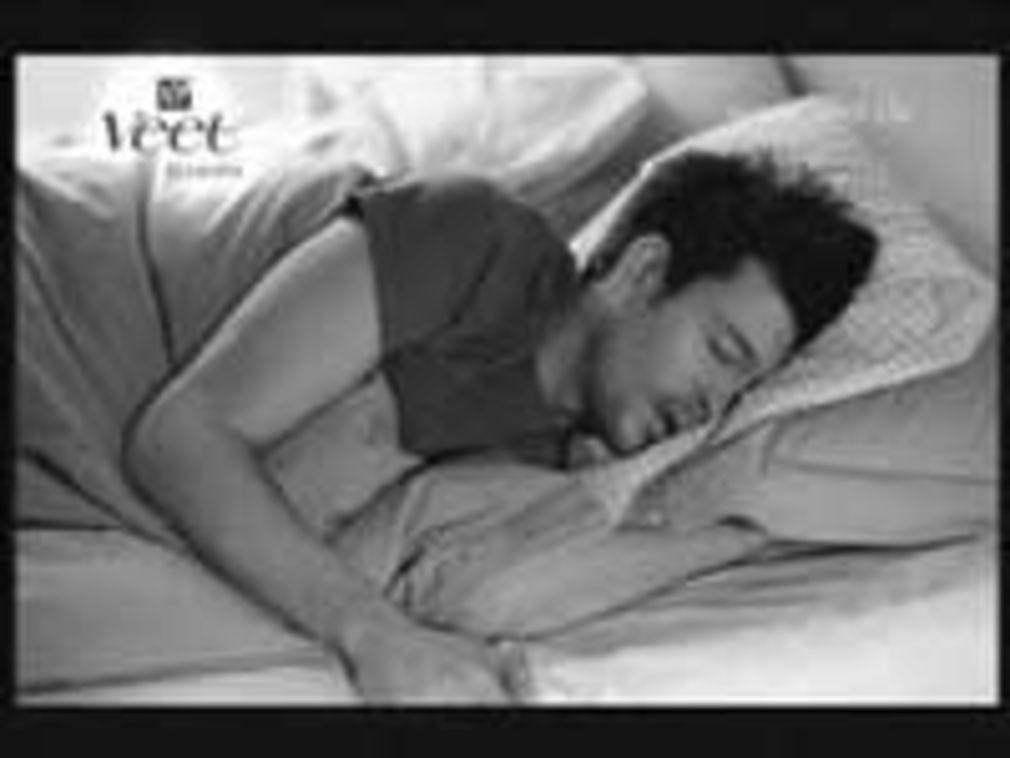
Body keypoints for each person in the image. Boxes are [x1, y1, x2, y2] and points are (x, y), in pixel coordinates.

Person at [123, 149, 878, 703]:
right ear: (643, 273)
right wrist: (372, 633)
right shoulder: (473, 238)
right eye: (722, 350)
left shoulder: (543, 459)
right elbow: (178, 435)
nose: (714, 403)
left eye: (743, 387)